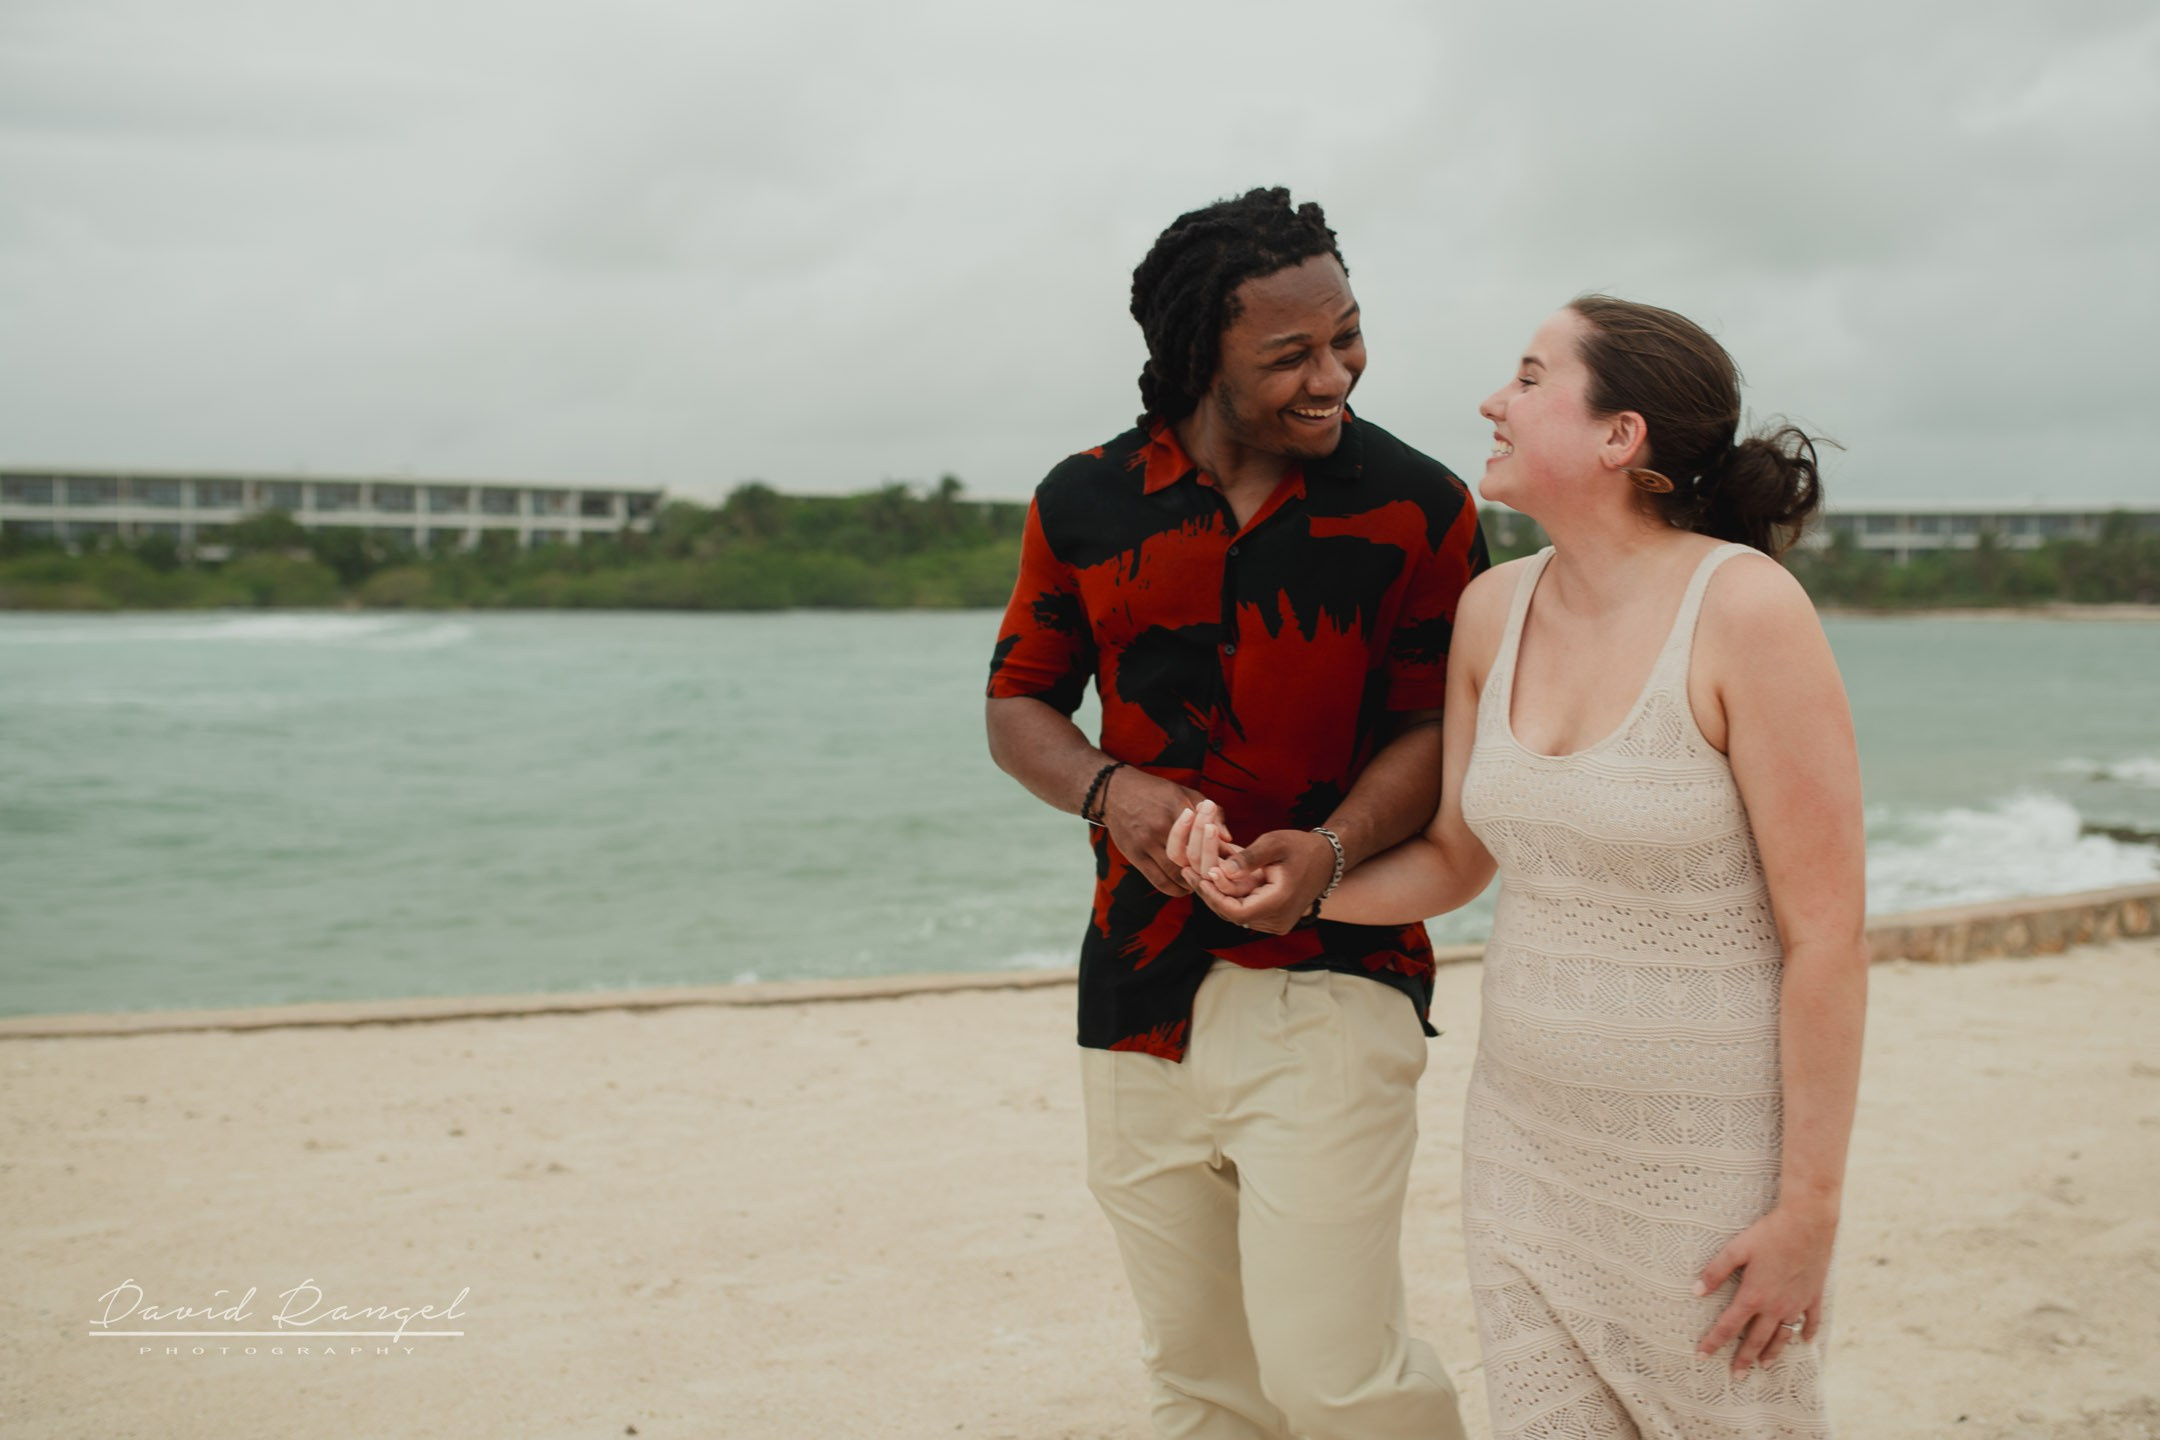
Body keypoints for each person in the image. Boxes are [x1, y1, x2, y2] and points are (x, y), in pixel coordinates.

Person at [1178, 295, 1867, 1437]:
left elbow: (1828, 935)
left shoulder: (1746, 608)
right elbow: (1456, 858)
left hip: (1712, 1164)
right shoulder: (1493, 611)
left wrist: (1811, 1211)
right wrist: (1299, 890)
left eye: (1532, 377)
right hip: (1526, 1149)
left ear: (1620, 436)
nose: (1495, 401)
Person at [983, 187, 1488, 1440]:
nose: (1338, 375)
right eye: (1293, 355)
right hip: (1135, 995)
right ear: (1200, 355)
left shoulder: (1421, 509)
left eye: (1348, 336)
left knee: (1337, 1380)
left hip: (1336, 972)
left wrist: (1331, 848)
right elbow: (1018, 705)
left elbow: (1440, 728)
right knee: (1204, 1385)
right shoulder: (1082, 500)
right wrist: (1116, 793)